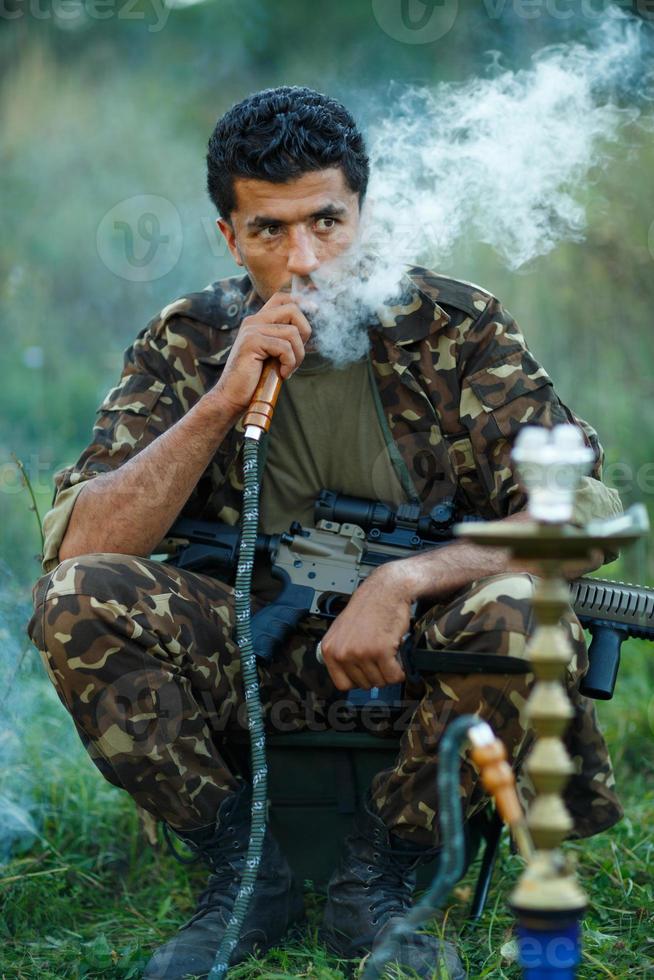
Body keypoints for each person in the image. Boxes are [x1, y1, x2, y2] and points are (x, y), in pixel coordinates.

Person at [28, 86, 623, 980]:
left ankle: (386, 876)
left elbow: (579, 510)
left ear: (364, 212)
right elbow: (82, 543)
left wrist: (403, 582)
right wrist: (225, 397)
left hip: (416, 652)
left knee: (520, 607)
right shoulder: (190, 341)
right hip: (247, 650)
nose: (303, 259)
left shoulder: (454, 328)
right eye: (269, 231)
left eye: (327, 222)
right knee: (77, 599)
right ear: (229, 236)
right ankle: (242, 873)